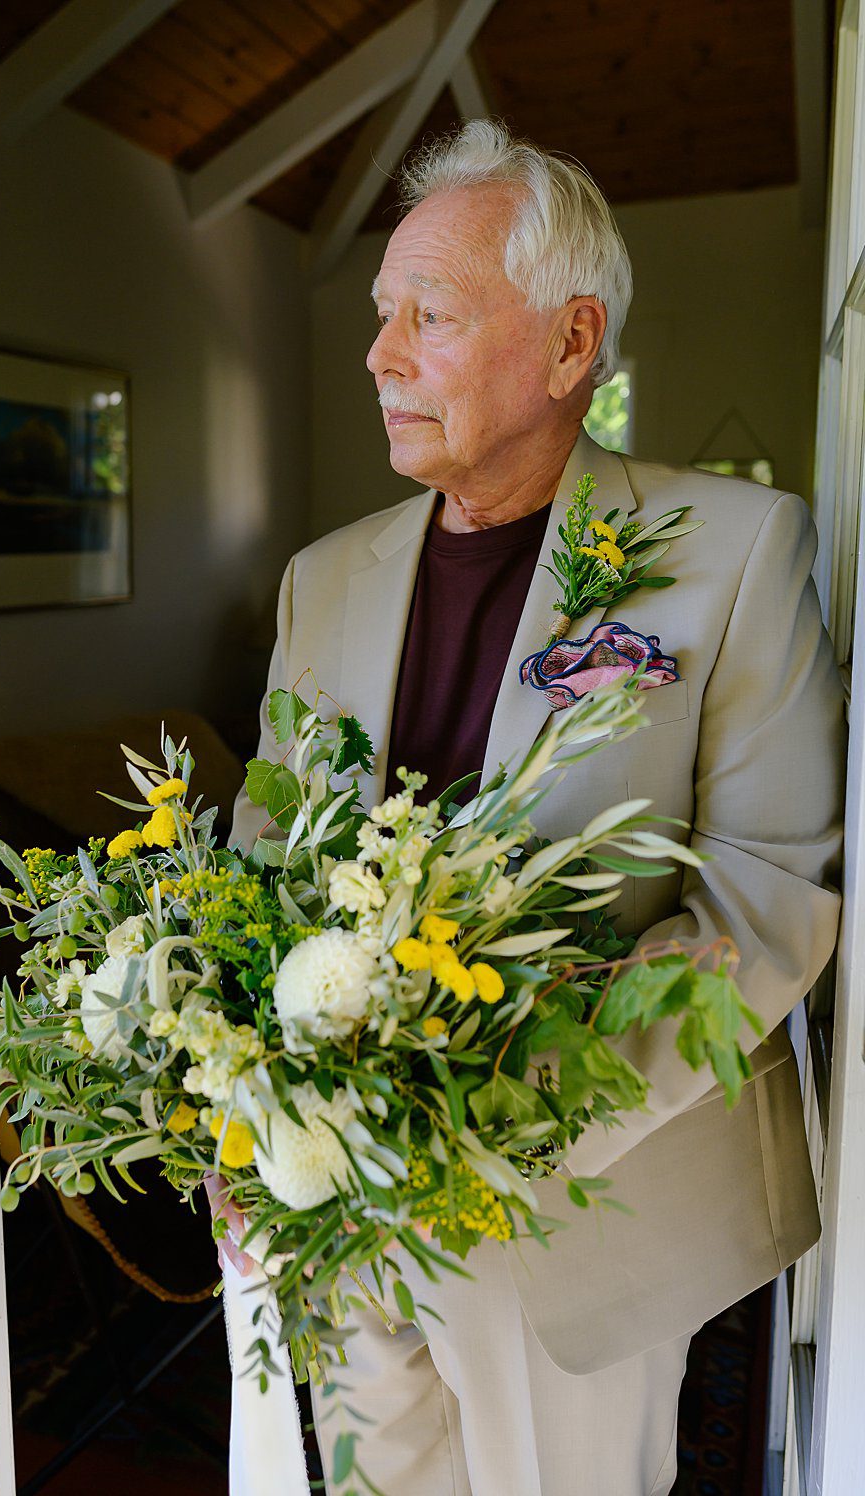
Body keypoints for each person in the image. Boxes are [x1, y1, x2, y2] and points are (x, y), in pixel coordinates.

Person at [227, 119, 844, 1495]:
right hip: (330, 1190)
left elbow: (767, 901)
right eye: (382, 314)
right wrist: (250, 1112)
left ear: (571, 347)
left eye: (427, 315)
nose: (380, 353)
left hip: (574, 1203)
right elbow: (259, 866)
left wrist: (503, 1127)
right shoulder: (319, 580)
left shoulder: (736, 552)